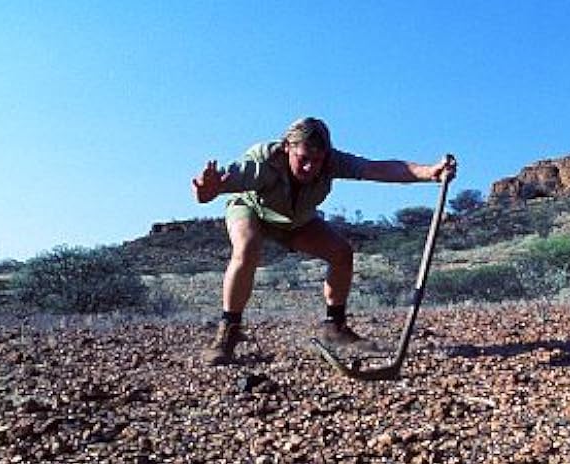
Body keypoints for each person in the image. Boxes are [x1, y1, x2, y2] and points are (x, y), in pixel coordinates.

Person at [192, 117, 456, 365]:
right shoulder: (261, 162)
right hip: (253, 210)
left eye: (317, 160)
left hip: (296, 220)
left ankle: (335, 327)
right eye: (303, 159)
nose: (311, 167)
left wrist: (428, 172)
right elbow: (211, 190)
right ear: (286, 148)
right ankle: (227, 333)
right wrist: (206, 190)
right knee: (247, 248)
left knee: (341, 253)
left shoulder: (331, 161)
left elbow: (376, 168)